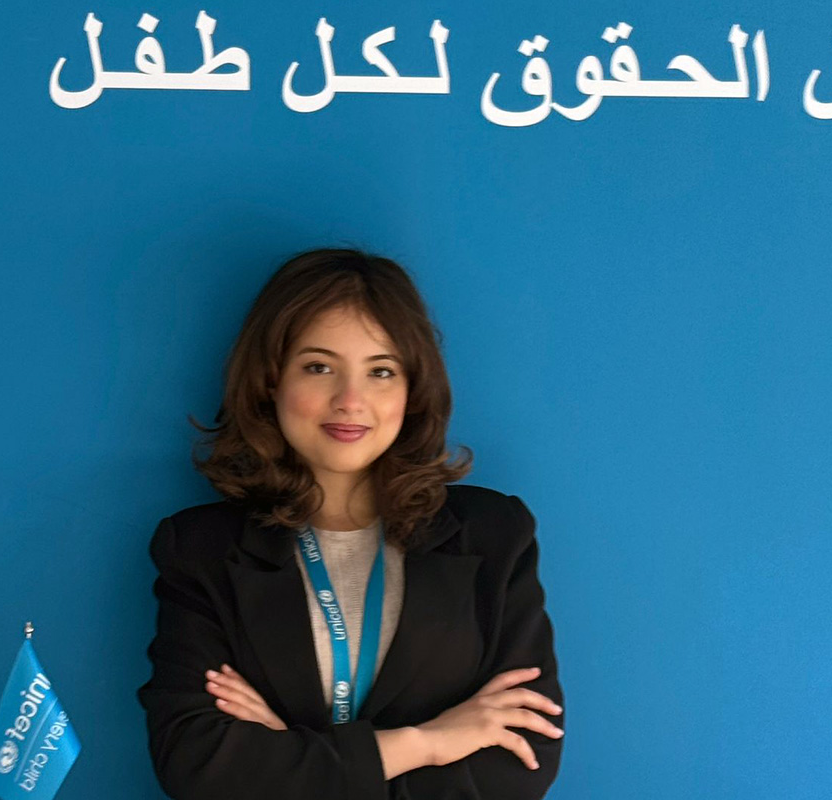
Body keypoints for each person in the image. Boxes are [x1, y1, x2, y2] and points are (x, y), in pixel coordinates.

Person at [136, 248, 564, 799]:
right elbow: (196, 764)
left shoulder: (493, 532)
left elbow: (522, 762)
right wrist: (427, 743)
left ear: (412, 390)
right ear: (270, 380)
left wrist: (292, 756)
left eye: (381, 371)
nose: (350, 400)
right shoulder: (200, 549)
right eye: (319, 367)